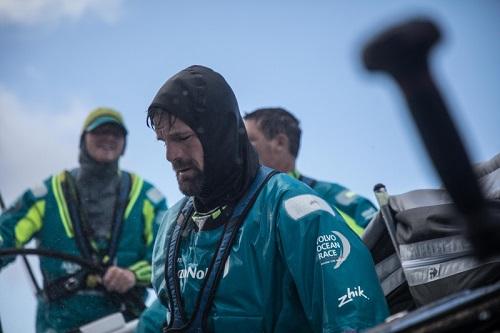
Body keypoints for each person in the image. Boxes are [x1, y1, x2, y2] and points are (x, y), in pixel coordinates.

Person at [146, 65, 389, 333]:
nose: (171, 155)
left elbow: (356, 318)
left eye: (181, 137)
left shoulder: (293, 208)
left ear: (219, 133)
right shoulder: (171, 228)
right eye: (163, 141)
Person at [0, 107, 167, 332]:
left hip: (127, 326)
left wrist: (133, 275)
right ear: (83, 139)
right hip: (58, 326)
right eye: (100, 131)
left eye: (116, 134)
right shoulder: (46, 196)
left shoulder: (148, 199)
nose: (108, 138)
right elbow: (6, 235)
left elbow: (168, 260)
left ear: (124, 144)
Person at [244, 107, 377, 236]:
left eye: (248, 140)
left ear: (280, 143)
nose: (240, 148)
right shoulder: (238, 206)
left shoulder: (329, 194)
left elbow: (385, 232)